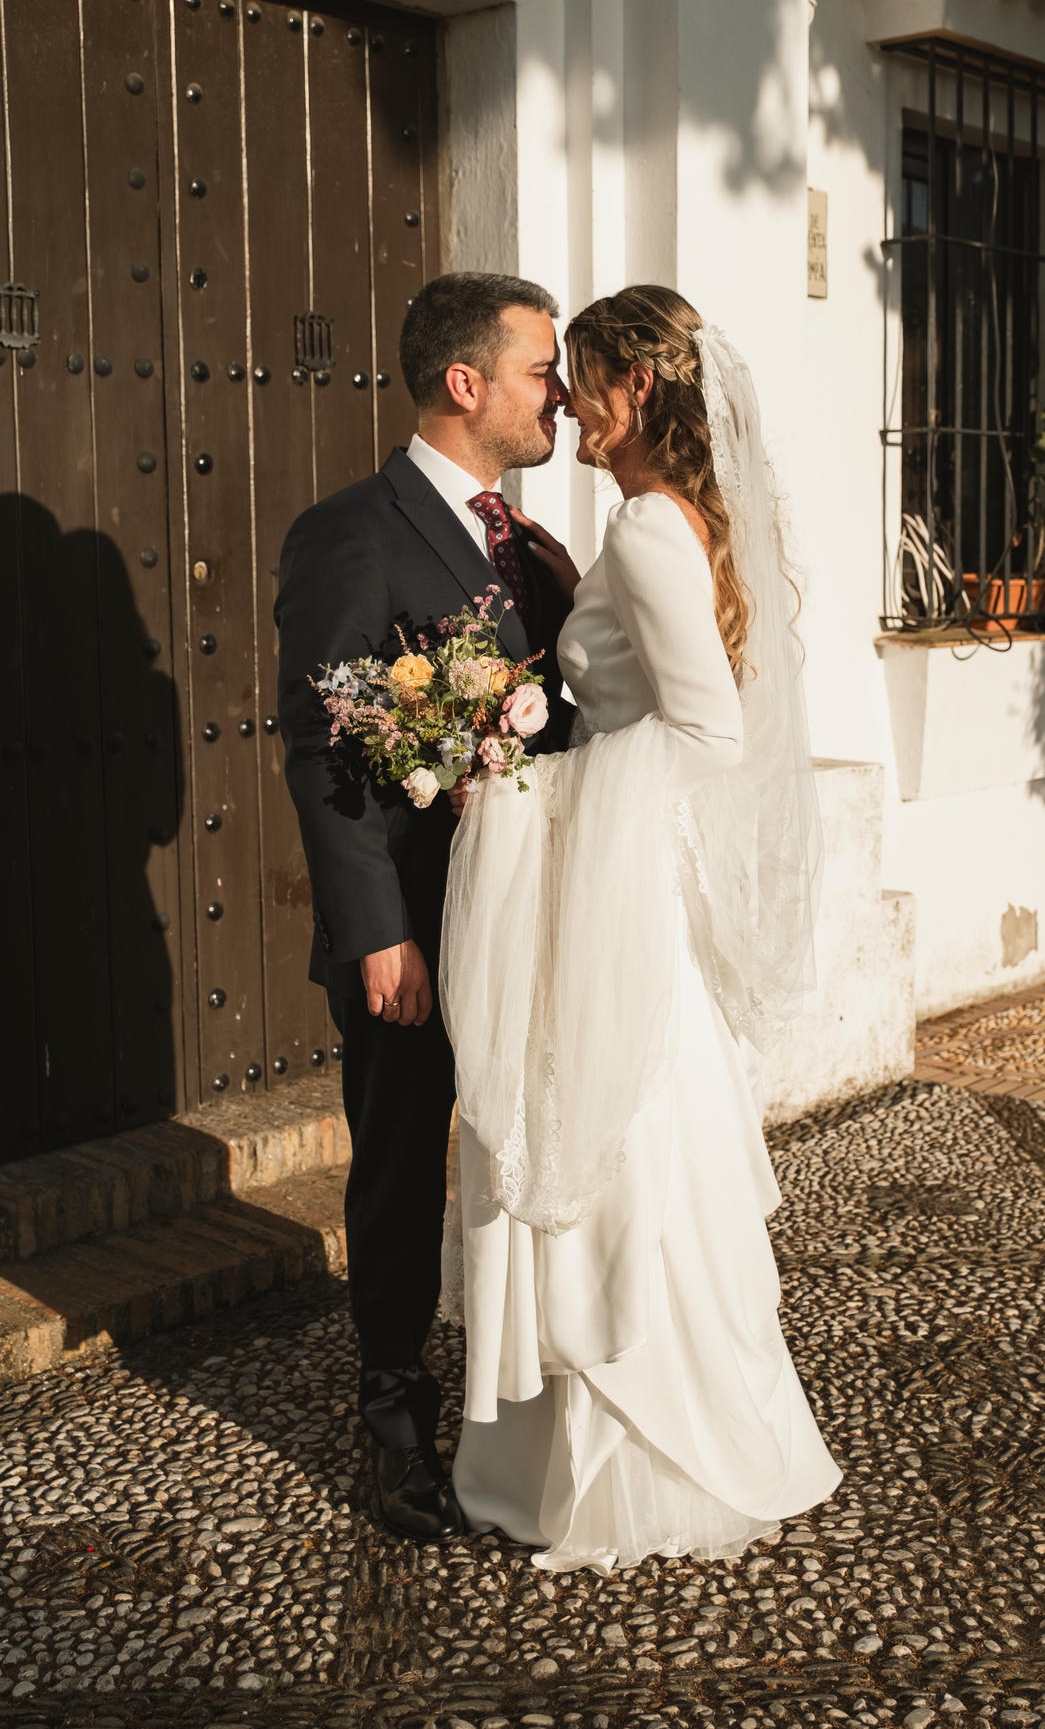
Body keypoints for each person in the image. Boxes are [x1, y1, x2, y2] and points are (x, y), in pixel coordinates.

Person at [441, 284, 841, 1572]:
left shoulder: (653, 525)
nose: (567, 398)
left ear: (642, 388)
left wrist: (546, 790)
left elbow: (706, 730)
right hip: (622, 887)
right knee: (630, 1142)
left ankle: (639, 1457)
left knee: (620, 1142)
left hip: (615, 887)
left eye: (587, 376)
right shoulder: (658, 520)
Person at [275, 272, 573, 1543]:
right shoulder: (350, 531)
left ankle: (527, 1398)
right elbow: (323, 745)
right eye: (539, 370)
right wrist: (377, 930)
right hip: (416, 927)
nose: (558, 393)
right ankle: (394, 1412)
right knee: (401, 1167)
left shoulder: (535, 548)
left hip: (534, 921)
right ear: (466, 382)